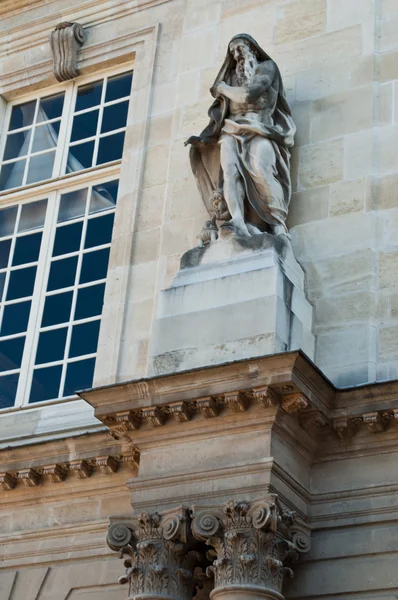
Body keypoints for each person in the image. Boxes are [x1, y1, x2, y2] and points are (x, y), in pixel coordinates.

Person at [185, 34, 296, 239]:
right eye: (232, 52)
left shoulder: (266, 68)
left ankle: (277, 224)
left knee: (261, 169)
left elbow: (250, 94)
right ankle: (237, 219)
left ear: (252, 49)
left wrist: (223, 89)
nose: (237, 55)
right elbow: (218, 117)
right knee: (230, 173)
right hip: (231, 131)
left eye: (240, 48)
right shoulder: (231, 79)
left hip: (260, 129)